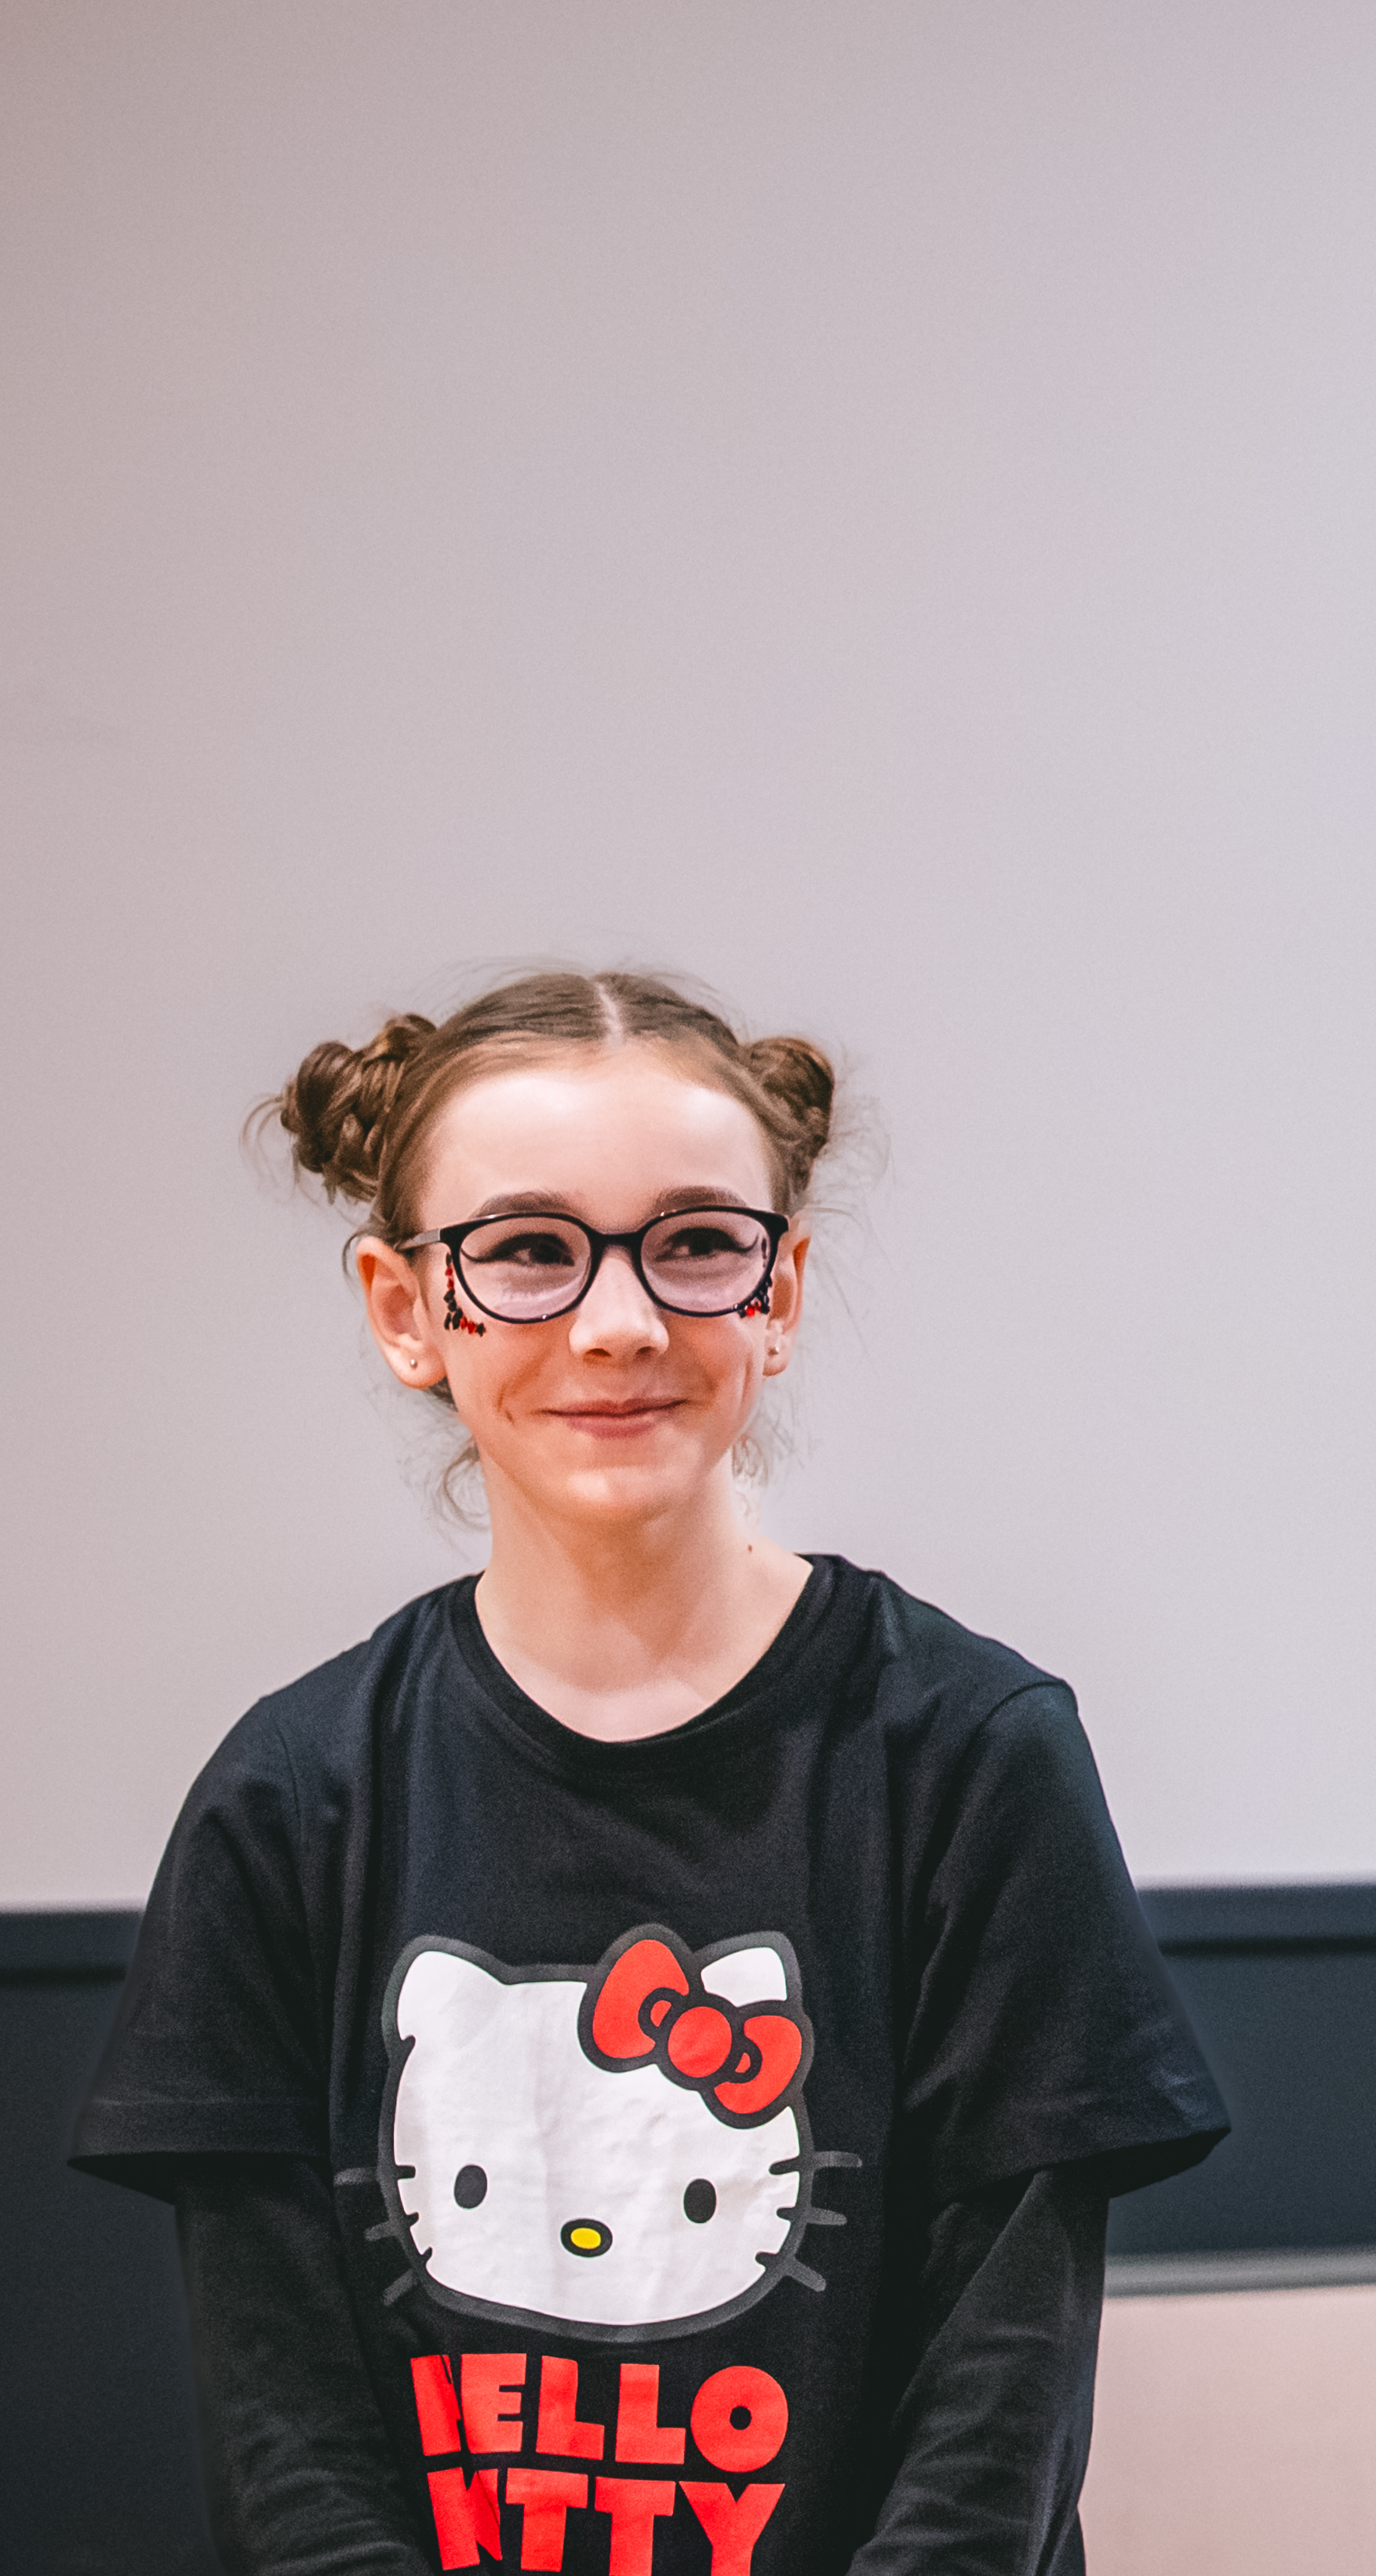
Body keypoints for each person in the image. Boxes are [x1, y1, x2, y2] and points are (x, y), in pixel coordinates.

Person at [75, 970, 1226, 2576]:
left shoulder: (972, 1753)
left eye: (692, 1241)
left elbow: (997, 2410)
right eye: (529, 1249)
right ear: (406, 1306)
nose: (619, 1318)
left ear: (781, 1287)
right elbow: (289, 2445)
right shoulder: (291, 1798)